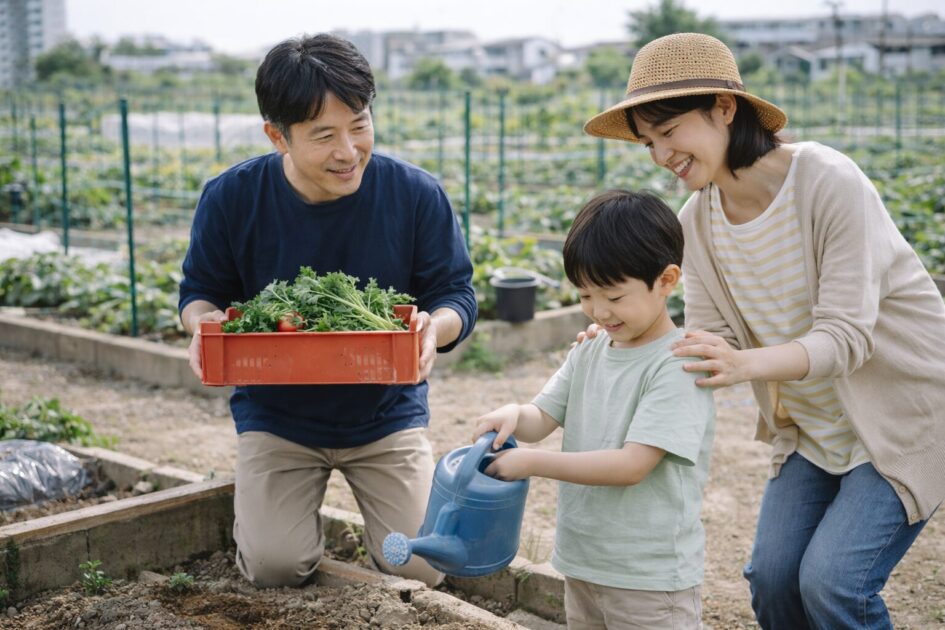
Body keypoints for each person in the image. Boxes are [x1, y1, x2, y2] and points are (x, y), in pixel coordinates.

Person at [582, 33, 945, 629]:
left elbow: (847, 337)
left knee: (832, 587)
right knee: (772, 582)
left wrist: (746, 364)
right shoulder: (696, 222)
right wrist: (615, 334)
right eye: (649, 142)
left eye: (669, 131)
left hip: (900, 419)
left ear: (724, 108)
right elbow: (709, 335)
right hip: (811, 430)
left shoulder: (827, 181)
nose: (660, 155)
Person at [178, 33, 477, 588]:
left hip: (386, 414)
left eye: (359, 125)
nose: (348, 150)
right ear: (278, 136)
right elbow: (199, 293)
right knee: (274, 566)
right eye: (324, 135)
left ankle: (372, 538)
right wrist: (203, 325)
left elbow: (456, 293)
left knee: (420, 565)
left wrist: (434, 329)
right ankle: (277, 521)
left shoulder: (415, 194)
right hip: (278, 419)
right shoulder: (231, 198)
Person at [473, 189, 715, 629]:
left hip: (649, 575)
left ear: (666, 280)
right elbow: (542, 417)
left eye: (614, 296)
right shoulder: (590, 350)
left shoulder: (678, 364)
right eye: (585, 295)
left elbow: (632, 465)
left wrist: (533, 462)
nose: (599, 310)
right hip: (584, 560)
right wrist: (514, 413)